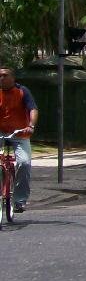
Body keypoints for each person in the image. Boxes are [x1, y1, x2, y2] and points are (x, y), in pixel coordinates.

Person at [0, 67, 38, 213]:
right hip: (1, 132)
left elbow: (33, 109)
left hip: (20, 134)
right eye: (0, 76)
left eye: (5, 75)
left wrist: (31, 125)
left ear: (13, 78)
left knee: (24, 162)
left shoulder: (22, 91)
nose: (1, 78)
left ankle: (19, 201)